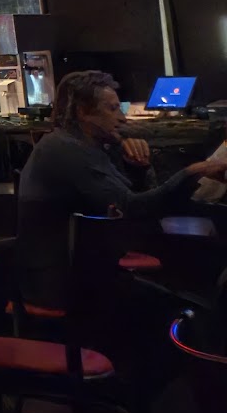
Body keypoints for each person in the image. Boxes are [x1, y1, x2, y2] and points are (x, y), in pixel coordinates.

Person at [17, 69, 227, 307]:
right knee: (199, 270)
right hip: (63, 282)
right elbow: (133, 208)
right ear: (83, 112)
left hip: (84, 268)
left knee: (203, 248)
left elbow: (139, 203)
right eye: (112, 109)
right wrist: (195, 171)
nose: (123, 118)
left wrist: (139, 167)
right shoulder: (65, 151)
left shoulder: (92, 147)